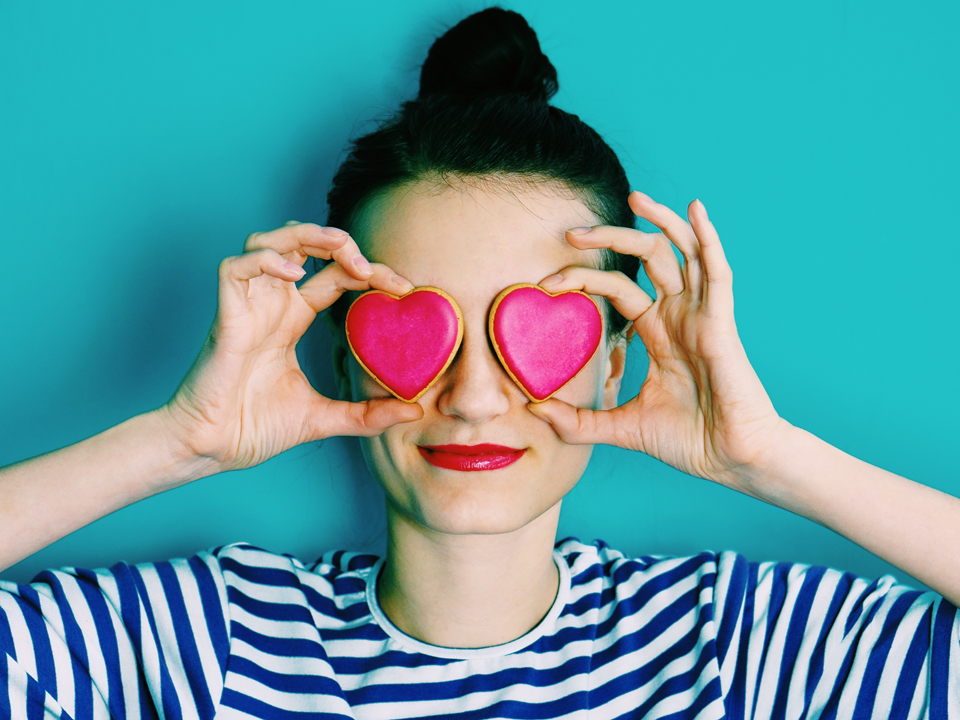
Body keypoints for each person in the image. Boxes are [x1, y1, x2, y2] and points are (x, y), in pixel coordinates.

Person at [1, 7, 958, 719]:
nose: (471, 400)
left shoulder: (735, 647)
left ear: (616, 366)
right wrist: (178, 442)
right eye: (421, 330)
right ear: (340, 357)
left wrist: (765, 455)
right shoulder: (204, 644)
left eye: (538, 336)